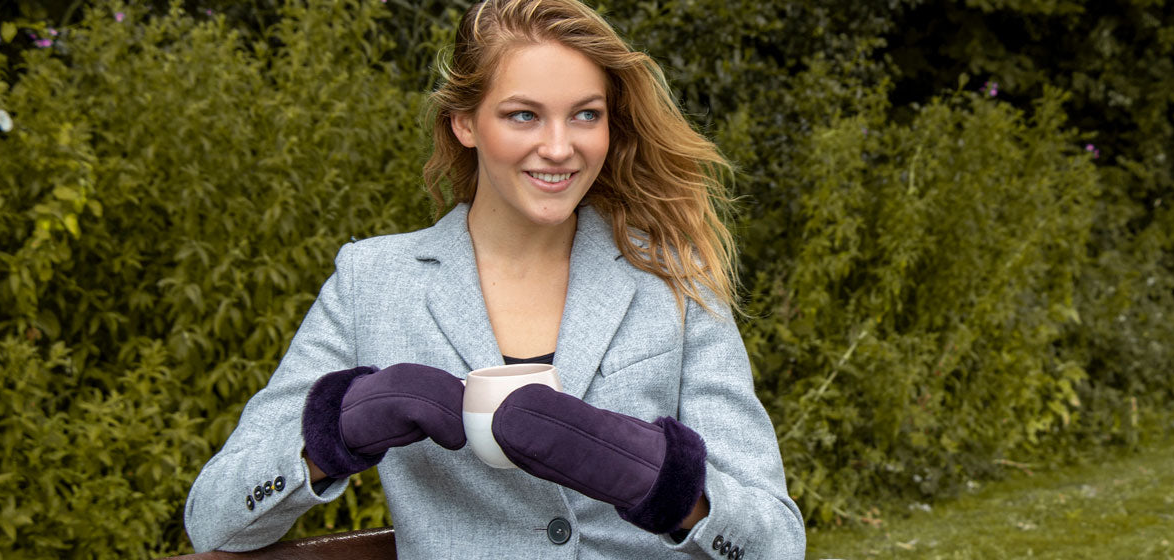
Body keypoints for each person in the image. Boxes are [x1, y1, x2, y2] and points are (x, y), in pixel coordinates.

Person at [183, 1, 802, 557]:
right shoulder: (371, 282)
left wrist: (663, 482)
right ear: (465, 123)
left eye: (585, 115)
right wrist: (333, 432)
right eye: (524, 115)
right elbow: (213, 520)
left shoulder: (672, 276)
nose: (560, 147)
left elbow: (777, 543)